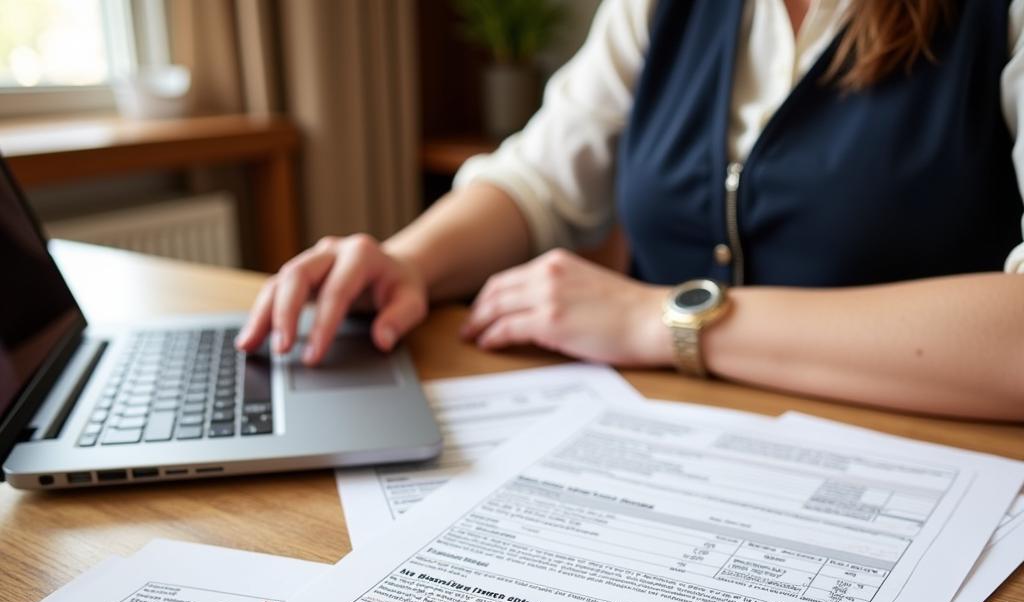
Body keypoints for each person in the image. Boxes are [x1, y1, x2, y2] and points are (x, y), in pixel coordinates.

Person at [237, 0, 1024, 421]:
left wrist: (660, 322)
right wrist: (408, 259)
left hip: (920, 468)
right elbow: (541, 178)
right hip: (664, 443)